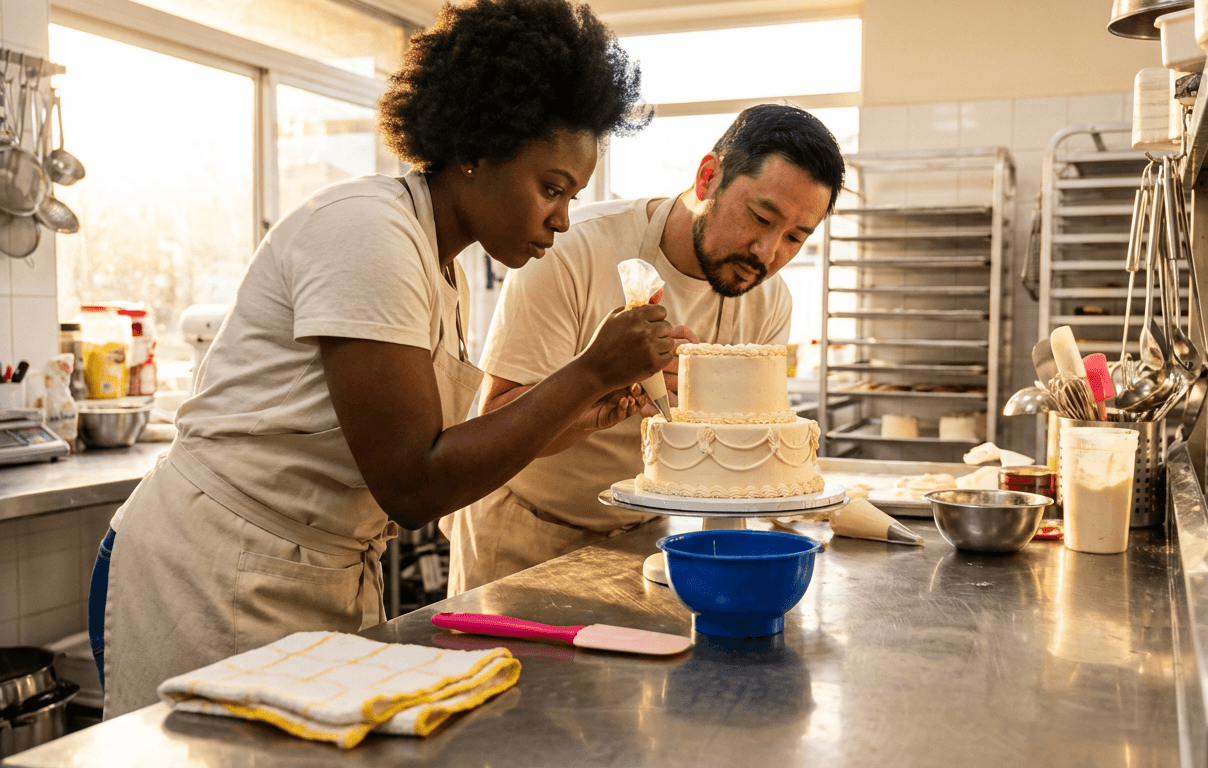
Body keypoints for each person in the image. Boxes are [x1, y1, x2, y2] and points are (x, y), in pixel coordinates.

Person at [91, 0, 674, 719]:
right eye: (551, 188)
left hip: (316, 570)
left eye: (572, 196)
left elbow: (458, 451)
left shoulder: (442, 267)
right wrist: (588, 371)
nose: (561, 217)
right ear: (477, 149)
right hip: (214, 569)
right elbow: (414, 482)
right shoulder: (369, 233)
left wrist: (584, 415)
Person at [443, 104, 845, 593]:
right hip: (524, 531)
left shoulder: (768, 299)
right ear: (707, 179)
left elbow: (733, 455)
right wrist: (599, 379)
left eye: (795, 238)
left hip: (645, 536)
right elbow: (495, 426)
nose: (767, 252)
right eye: (760, 217)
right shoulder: (573, 252)